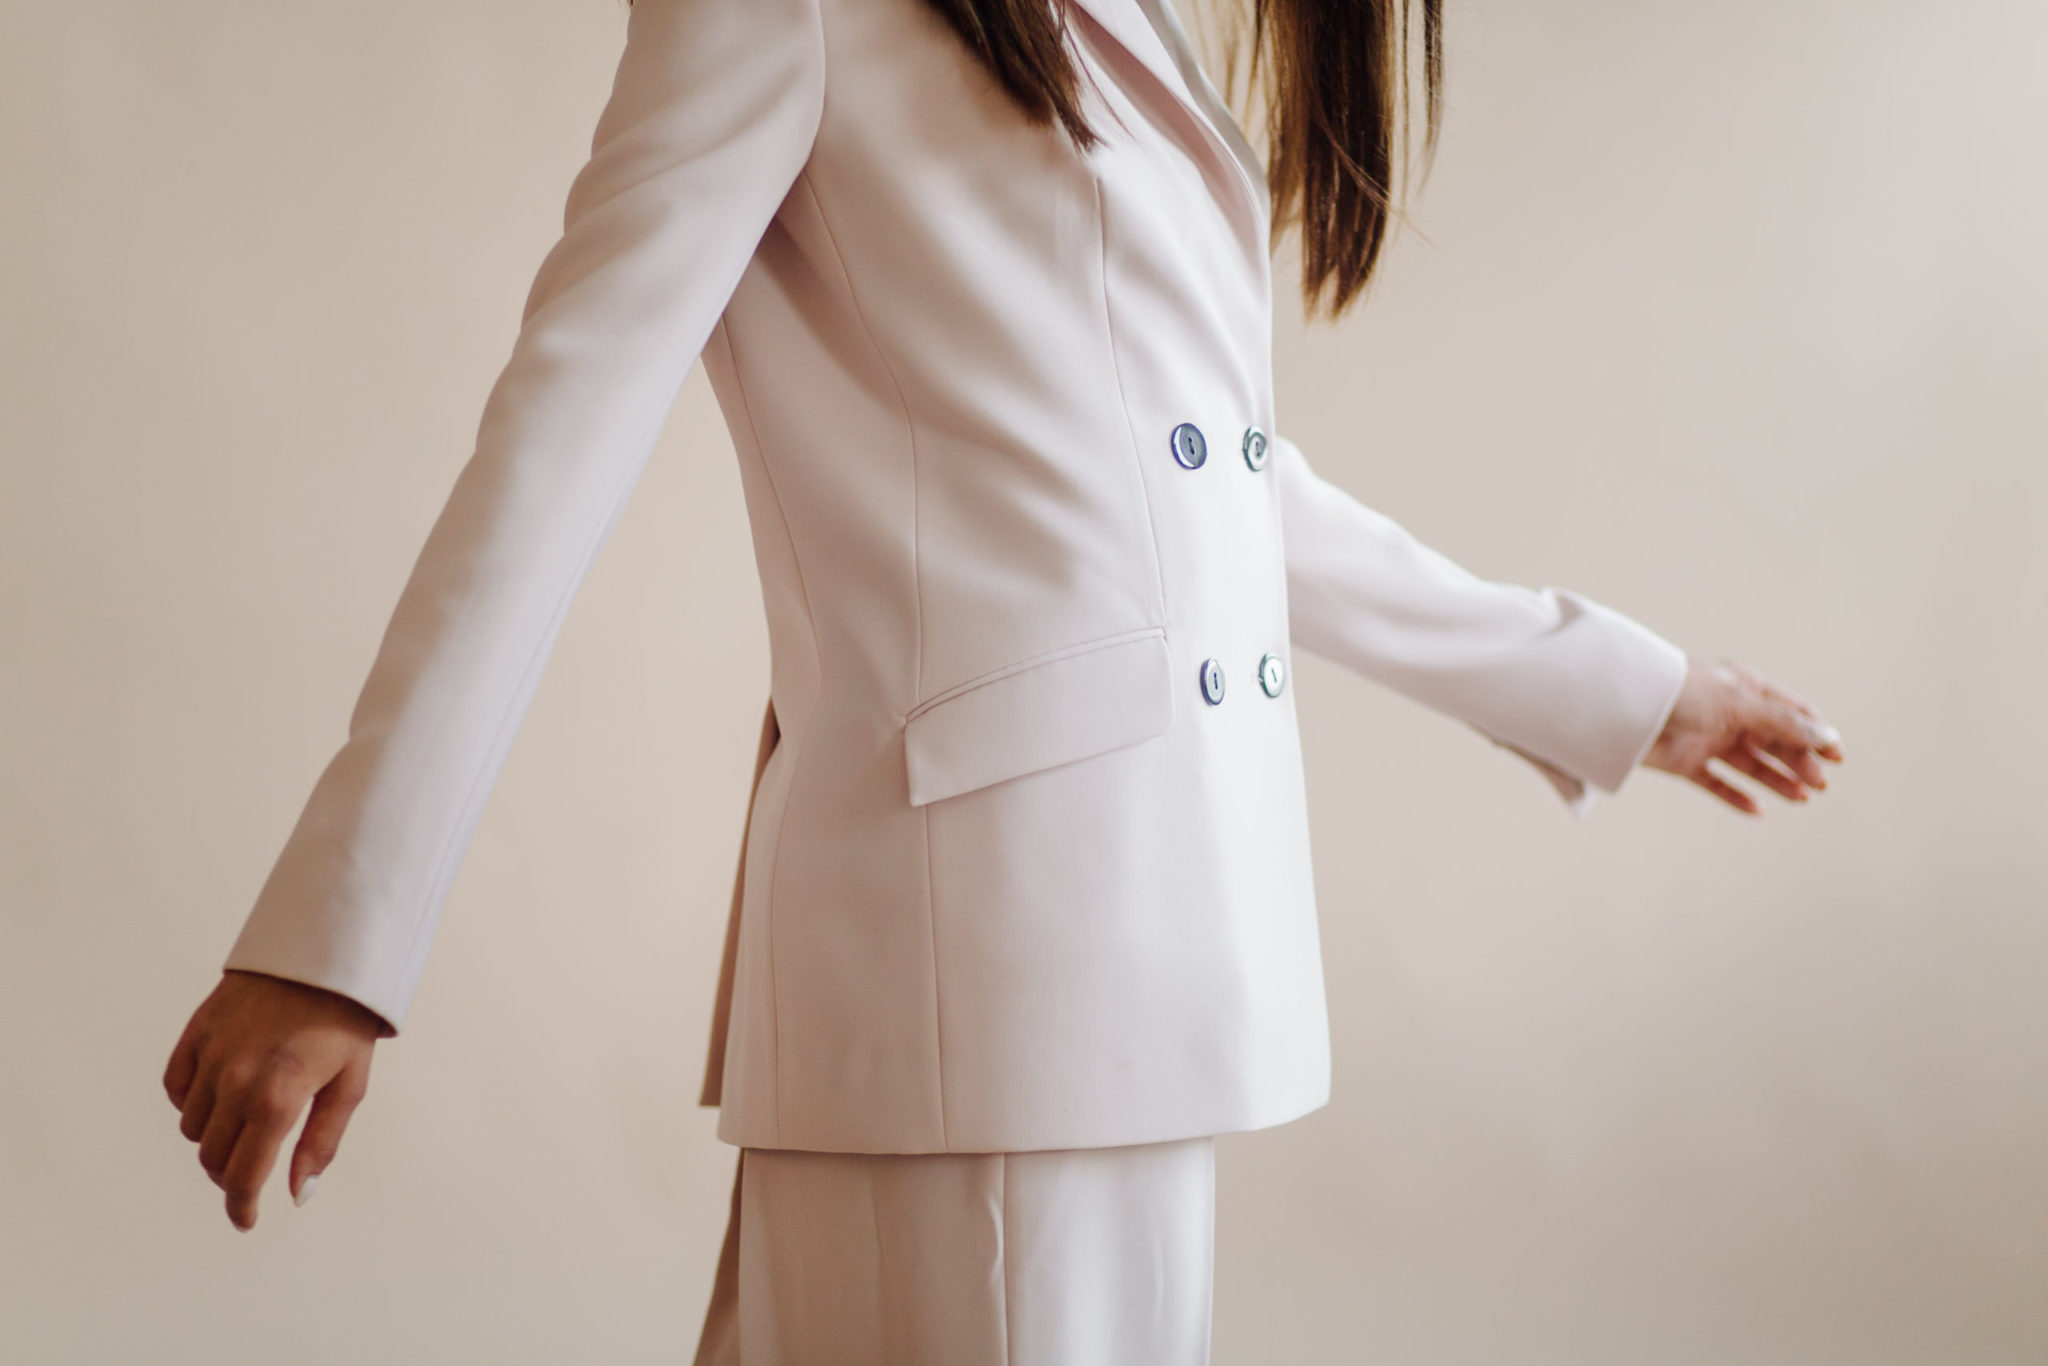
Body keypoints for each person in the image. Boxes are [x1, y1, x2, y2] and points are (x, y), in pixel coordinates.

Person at [161, 0, 1845, 1360]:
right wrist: (338, 942)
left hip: (1105, 959)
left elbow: (1212, 491)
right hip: (991, 958)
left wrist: (1616, 687)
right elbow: (556, 442)